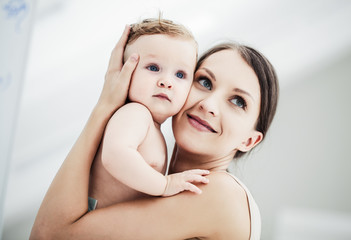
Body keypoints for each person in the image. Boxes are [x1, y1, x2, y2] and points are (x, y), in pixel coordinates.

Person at [30, 23, 278, 239]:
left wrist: (105, 105)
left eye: (238, 101)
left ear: (250, 140)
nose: (208, 104)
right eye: (204, 81)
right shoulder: (159, 179)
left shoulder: (218, 194)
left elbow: (49, 235)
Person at [88, 18, 209, 210]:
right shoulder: (135, 113)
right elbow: (115, 155)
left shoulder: (151, 127)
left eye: (180, 75)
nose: (166, 82)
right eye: (153, 68)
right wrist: (165, 185)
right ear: (126, 71)